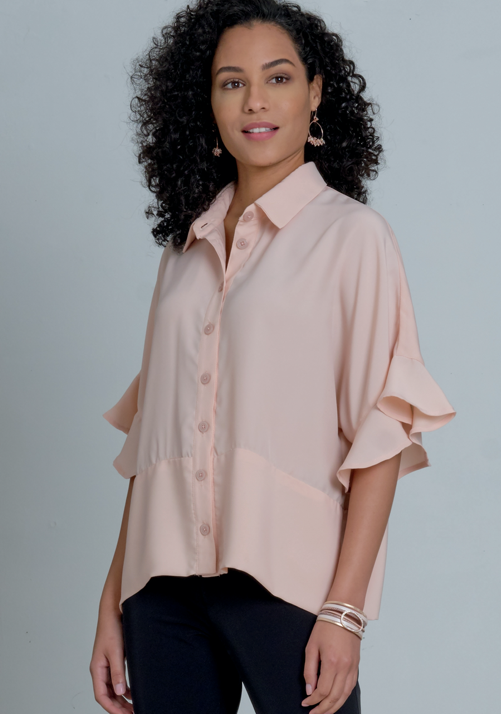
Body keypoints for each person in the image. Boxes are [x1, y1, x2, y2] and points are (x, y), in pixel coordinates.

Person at [89, 1, 456, 713]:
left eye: (278, 78)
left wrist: (345, 611)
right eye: (232, 82)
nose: (255, 101)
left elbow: (380, 437)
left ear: (315, 93)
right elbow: (153, 446)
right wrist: (112, 601)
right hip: (160, 595)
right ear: (207, 102)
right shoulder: (183, 252)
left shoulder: (353, 238)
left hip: (288, 588)